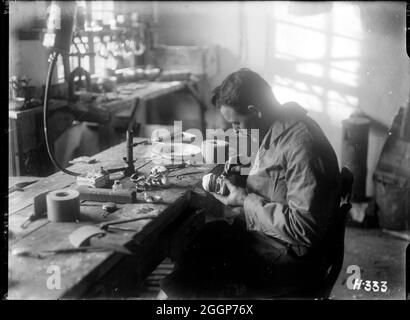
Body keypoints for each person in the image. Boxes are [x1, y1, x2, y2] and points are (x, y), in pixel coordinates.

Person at [159, 68, 342, 299]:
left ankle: (177, 294)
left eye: (236, 123)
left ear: (254, 110)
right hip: (271, 244)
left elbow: (304, 228)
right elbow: (278, 183)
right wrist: (242, 179)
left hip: (288, 263)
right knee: (198, 241)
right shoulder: (280, 128)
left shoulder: (302, 144)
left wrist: (244, 200)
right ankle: (176, 288)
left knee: (188, 279)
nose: (233, 129)